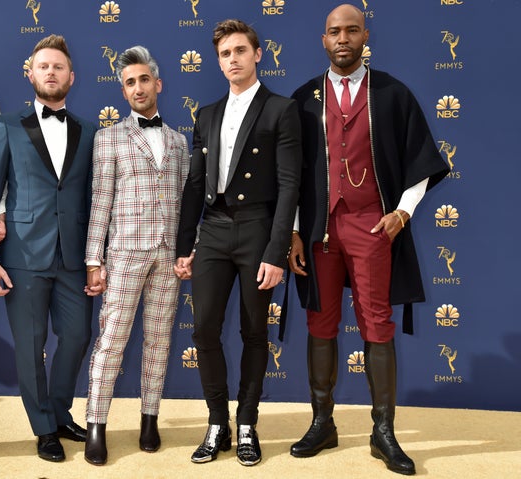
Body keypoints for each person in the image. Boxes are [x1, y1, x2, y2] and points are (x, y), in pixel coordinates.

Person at [287, 5, 449, 476]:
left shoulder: (393, 94)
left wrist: (403, 211)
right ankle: (322, 423)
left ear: (364, 36)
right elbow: (291, 176)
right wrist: (295, 230)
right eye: (334, 32)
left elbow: (422, 159)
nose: (343, 38)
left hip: (372, 225)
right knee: (321, 322)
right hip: (319, 230)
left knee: (377, 324)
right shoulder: (303, 100)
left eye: (351, 30)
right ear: (324, 40)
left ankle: (384, 432)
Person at [175, 19, 302, 467]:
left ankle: (247, 422)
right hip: (212, 230)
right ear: (218, 61)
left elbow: (290, 186)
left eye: (240, 51)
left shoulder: (280, 109)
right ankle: (217, 422)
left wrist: (276, 251)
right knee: (205, 328)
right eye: (225, 53)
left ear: (258, 55)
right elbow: (194, 186)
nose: (233, 59)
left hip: (257, 230)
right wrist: (183, 246)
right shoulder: (206, 114)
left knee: (254, 331)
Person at [0, 34, 96, 463]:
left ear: (71, 76)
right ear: (30, 74)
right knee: (30, 346)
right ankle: (43, 427)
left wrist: (96, 256)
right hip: (22, 256)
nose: (50, 72)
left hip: (75, 257)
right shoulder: (7, 125)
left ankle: (59, 412)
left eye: (58, 66)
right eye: (43, 66)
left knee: (78, 335)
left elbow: (92, 199)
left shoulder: (90, 130)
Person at [82, 46, 190, 466]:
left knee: (159, 341)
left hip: (168, 254)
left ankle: (150, 418)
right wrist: (95, 259)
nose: (138, 88)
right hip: (125, 253)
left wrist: (187, 250)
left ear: (158, 84)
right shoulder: (108, 138)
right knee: (111, 341)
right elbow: (100, 201)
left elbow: (187, 201)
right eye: (129, 82)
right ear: (123, 92)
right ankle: (96, 423)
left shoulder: (180, 142)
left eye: (144, 79)